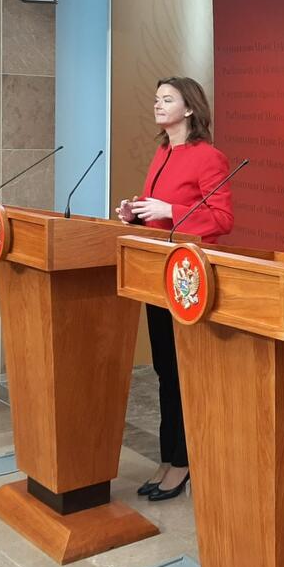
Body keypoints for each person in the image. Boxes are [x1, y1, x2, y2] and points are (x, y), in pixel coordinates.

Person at [116, 76, 234, 501]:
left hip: (188, 279)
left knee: (183, 373)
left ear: (189, 109)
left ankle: (184, 462)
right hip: (158, 272)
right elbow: (161, 218)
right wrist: (135, 214)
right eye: (156, 98)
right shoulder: (162, 152)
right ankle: (168, 457)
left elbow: (221, 220)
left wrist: (169, 208)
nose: (158, 104)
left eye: (167, 99)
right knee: (165, 371)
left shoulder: (209, 157)